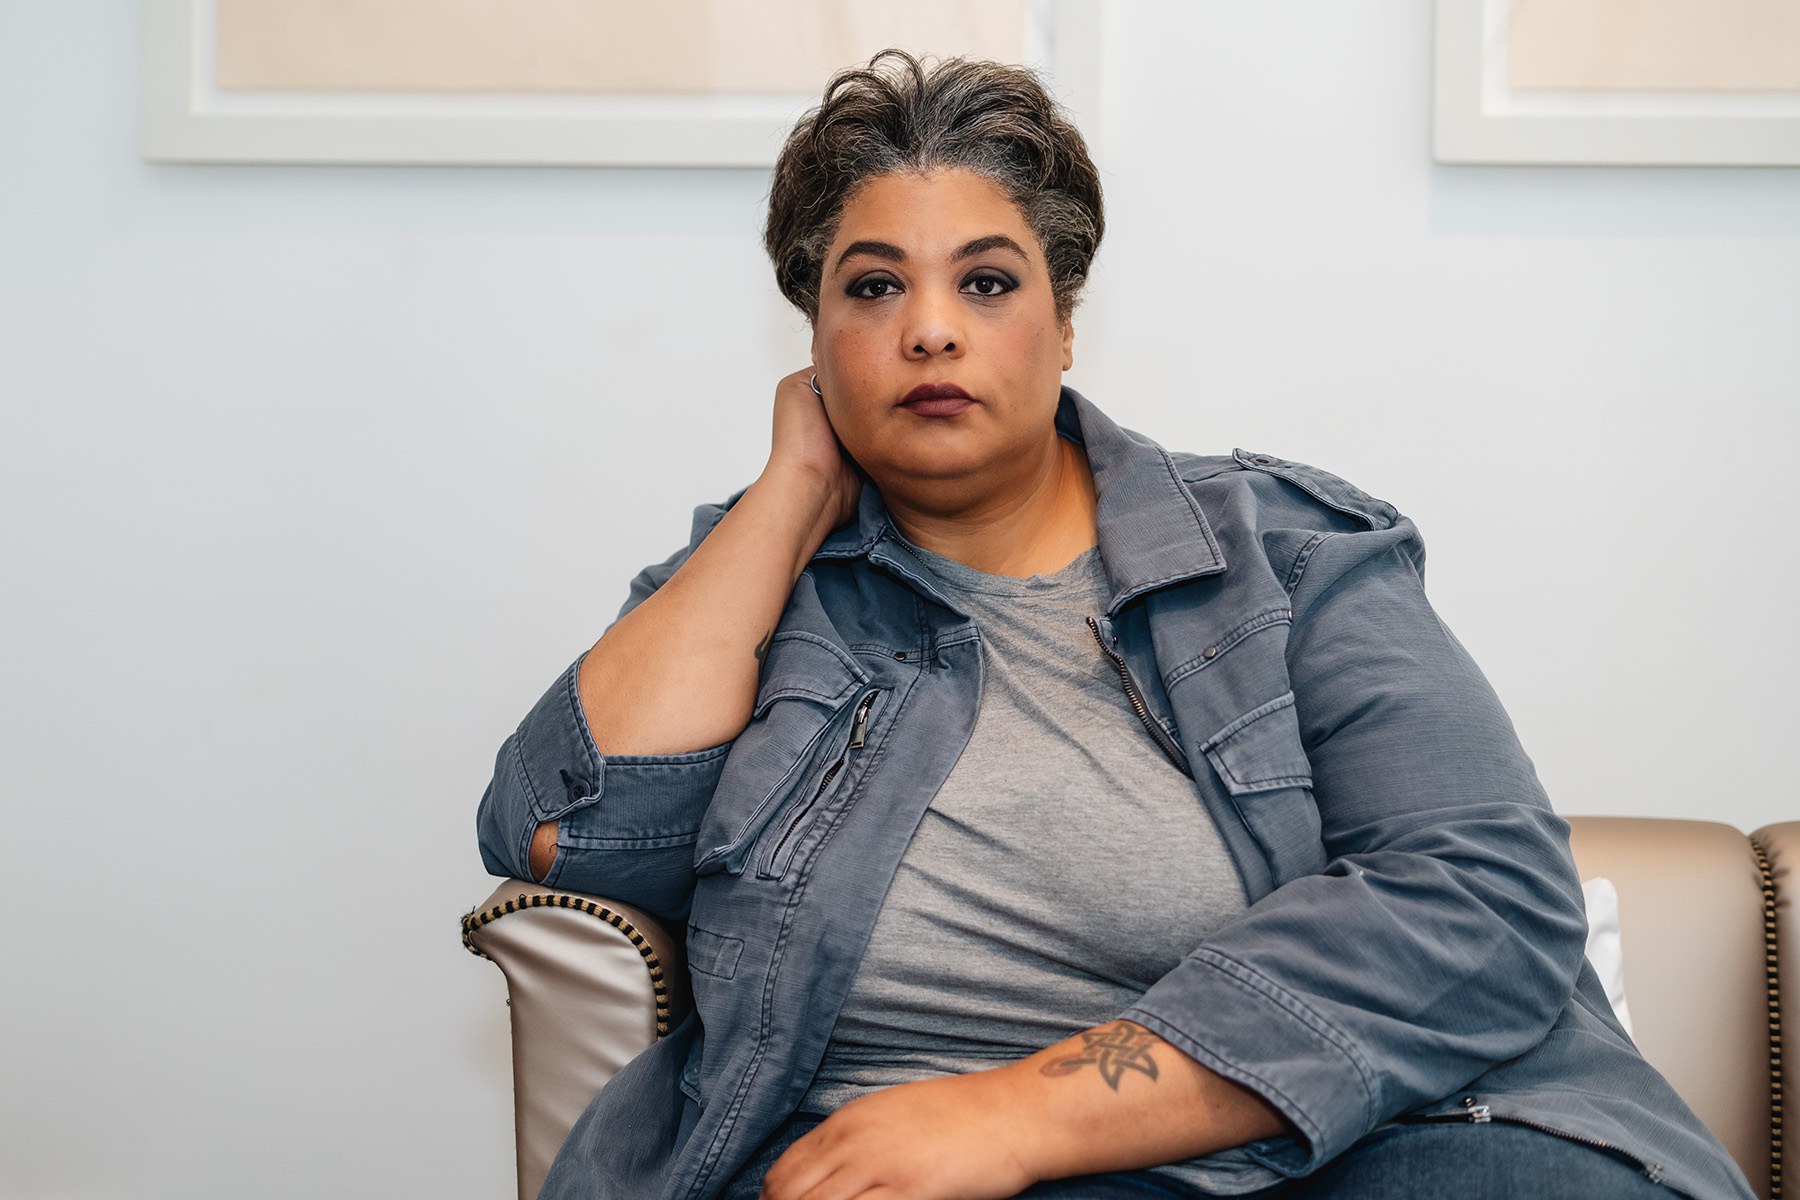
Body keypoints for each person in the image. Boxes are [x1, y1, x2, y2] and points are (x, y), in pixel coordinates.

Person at [477, 51, 1754, 1200]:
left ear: (1065, 323)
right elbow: (561, 828)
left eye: (985, 280)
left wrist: (1013, 1115)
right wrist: (792, 489)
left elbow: (1481, 898)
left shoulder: (1291, 556)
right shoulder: (757, 590)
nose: (930, 326)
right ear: (813, 340)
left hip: (1366, 1147)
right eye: (872, 288)